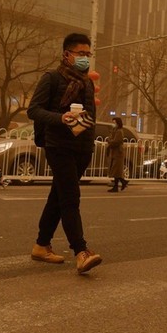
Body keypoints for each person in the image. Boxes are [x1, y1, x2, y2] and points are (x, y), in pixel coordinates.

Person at [27, 33, 103, 274]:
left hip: (82, 147)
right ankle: (81, 251)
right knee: (70, 196)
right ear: (67, 54)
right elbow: (34, 110)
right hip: (58, 144)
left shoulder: (87, 82)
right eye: (81, 54)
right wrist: (60, 118)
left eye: (88, 54)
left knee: (58, 196)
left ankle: (41, 245)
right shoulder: (51, 78)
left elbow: (91, 117)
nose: (85, 59)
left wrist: (89, 142)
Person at [107, 117, 128, 192]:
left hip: (118, 153)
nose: (114, 124)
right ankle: (123, 182)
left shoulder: (119, 131)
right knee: (115, 170)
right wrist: (110, 140)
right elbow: (110, 138)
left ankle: (118, 185)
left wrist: (110, 141)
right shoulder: (114, 130)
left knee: (116, 170)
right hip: (114, 152)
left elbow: (116, 141)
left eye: (115, 122)